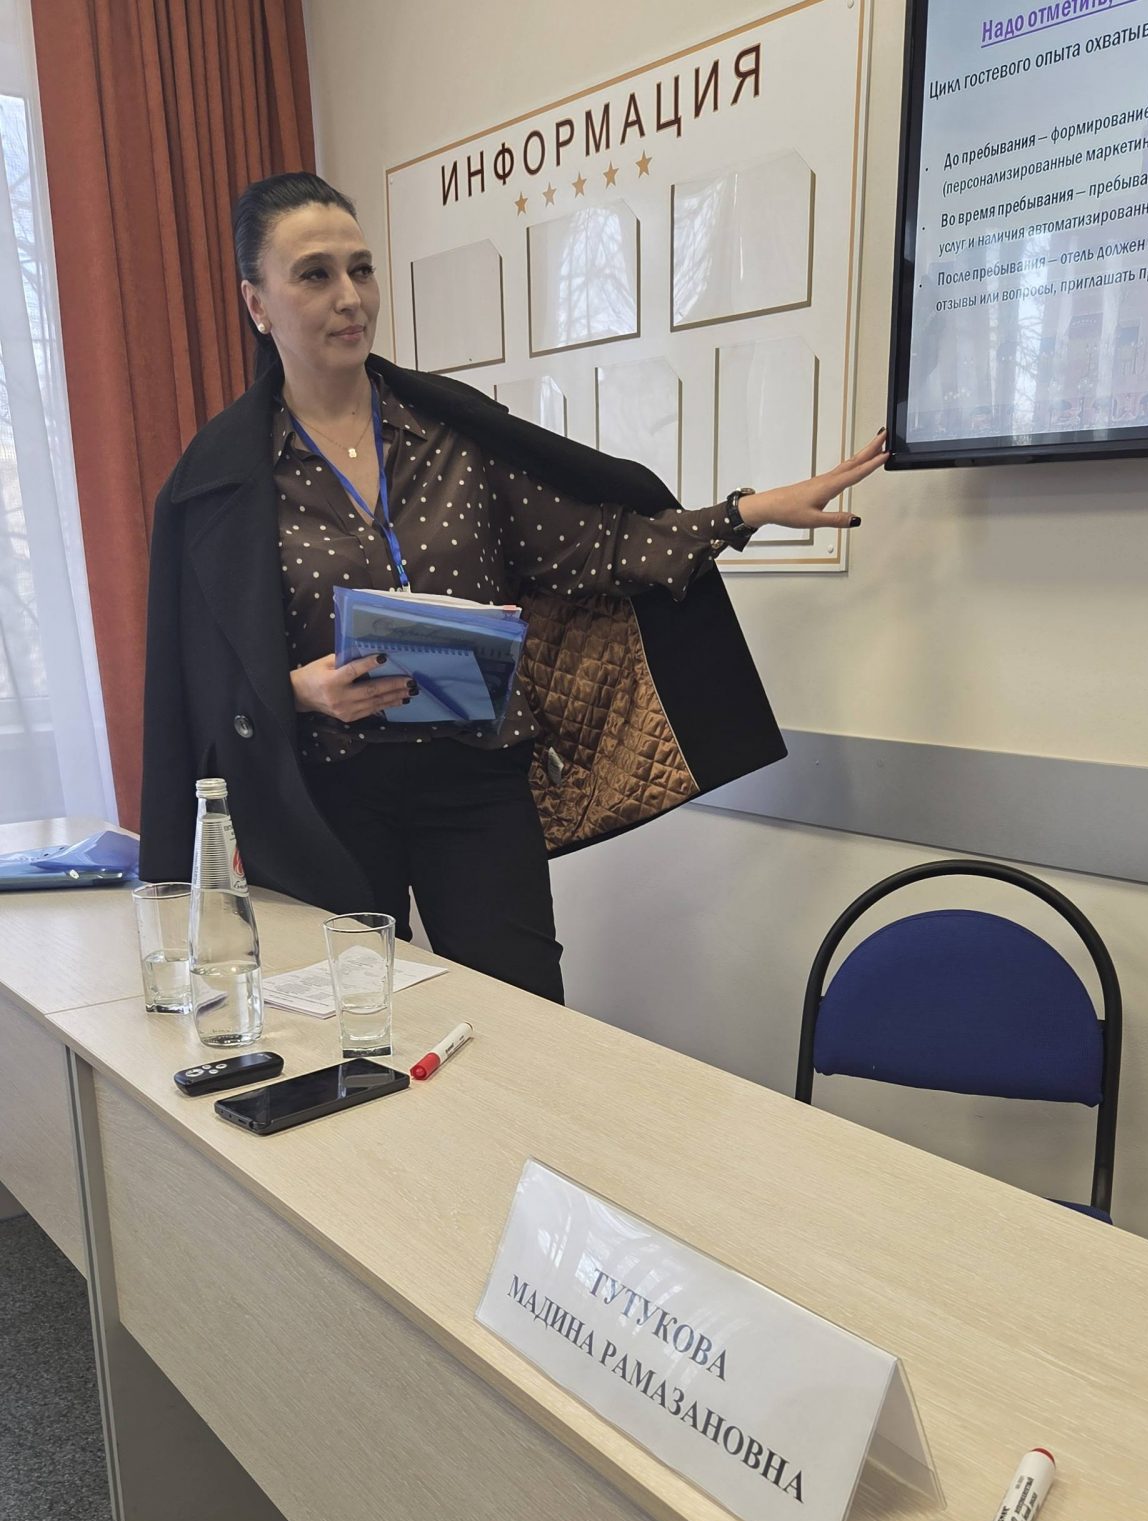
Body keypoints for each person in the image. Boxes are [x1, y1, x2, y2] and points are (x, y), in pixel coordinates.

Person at [140, 172, 887, 1004]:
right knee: (352, 1022)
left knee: (524, 1016)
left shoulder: (452, 436)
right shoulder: (219, 484)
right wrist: (299, 691)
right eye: (315, 274)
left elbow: (598, 545)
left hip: (476, 782)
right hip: (326, 796)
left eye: (361, 269)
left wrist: (746, 511)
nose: (350, 297)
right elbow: (199, 682)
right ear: (258, 304)